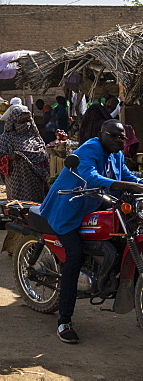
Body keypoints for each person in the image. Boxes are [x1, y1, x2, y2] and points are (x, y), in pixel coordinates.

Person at [39, 120, 143, 343]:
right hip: (68, 210)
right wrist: (130, 187)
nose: (118, 140)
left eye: (122, 137)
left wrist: (138, 183)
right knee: (74, 257)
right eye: (113, 135)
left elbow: (128, 178)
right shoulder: (89, 149)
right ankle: (64, 321)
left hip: (93, 206)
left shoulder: (117, 154)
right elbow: (91, 177)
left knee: (124, 239)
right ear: (102, 134)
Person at [0, 104, 48, 202]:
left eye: (28, 121)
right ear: (14, 122)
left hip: (35, 182)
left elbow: (44, 157)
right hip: (16, 182)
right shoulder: (6, 138)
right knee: (18, 206)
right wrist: (10, 158)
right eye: (22, 122)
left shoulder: (36, 138)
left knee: (35, 206)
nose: (26, 124)